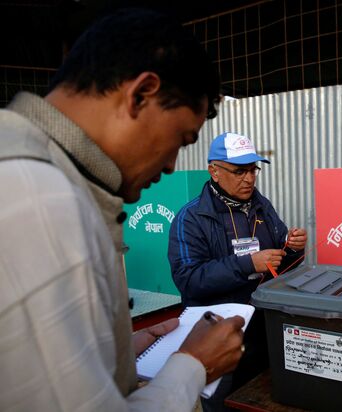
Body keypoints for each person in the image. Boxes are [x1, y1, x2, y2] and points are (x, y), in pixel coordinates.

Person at [0, 8, 246, 412]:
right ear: (141, 94)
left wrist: (113, 349)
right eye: (182, 139)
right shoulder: (40, 203)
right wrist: (192, 366)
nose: (170, 166)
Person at [168, 131, 307, 411]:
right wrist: (247, 264)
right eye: (239, 171)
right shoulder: (191, 217)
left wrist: (292, 248)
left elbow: (282, 263)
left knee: (260, 398)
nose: (249, 178)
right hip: (217, 336)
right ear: (214, 172)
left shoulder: (261, 206)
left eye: (253, 170)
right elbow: (188, 280)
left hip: (262, 330)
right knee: (221, 404)